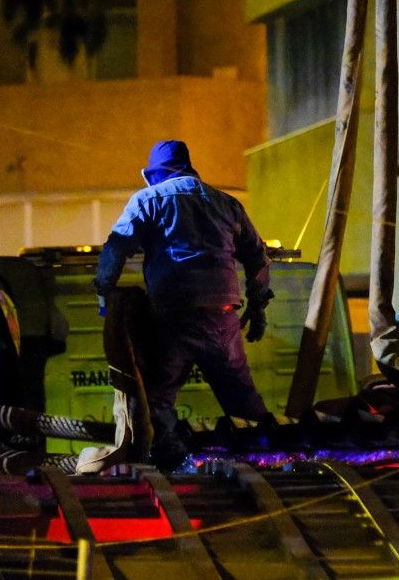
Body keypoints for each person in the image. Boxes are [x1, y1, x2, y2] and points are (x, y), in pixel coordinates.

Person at [93, 140, 274, 467]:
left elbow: (115, 250)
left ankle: (173, 463)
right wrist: (258, 308)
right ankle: (270, 457)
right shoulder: (227, 203)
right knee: (243, 402)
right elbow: (258, 259)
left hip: (173, 316)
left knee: (157, 399)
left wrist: (105, 295)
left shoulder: (147, 200)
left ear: (156, 173)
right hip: (224, 316)